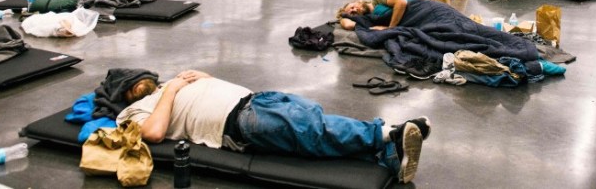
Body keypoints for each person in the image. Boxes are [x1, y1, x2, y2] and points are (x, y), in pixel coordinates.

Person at [117, 69, 430, 184]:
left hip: (254, 99)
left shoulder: (168, 82)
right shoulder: (132, 112)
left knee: (314, 120)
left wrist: (204, 77)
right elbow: (155, 133)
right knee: (311, 130)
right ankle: (388, 132)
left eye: (141, 78)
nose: (140, 84)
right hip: (236, 123)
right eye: (132, 85)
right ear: (125, 94)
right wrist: (171, 91)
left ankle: (388, 155)